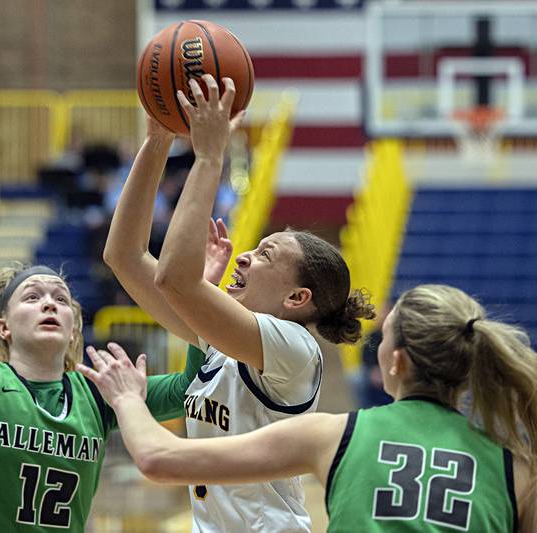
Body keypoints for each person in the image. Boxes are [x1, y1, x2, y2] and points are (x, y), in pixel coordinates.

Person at [103, 74, 374, 532]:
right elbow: (125, 255)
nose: (245, 254)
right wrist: (158, 142)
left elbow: (174, 277)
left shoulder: (293, 349)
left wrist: (210, 155)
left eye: (265, 253)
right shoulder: (221, 342)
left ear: (296, 298)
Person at [80, 284, 537, 533]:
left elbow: (159, 459)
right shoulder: (519, 470)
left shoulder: (335, 434)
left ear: (396, 361)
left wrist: (126, 398)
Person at [0, 163, 210, 531]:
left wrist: (199, 300)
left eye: (61, 298)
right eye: (32, 296)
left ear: (74, 328)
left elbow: (192, 387)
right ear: (3, 326)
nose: (49, 303)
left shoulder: (101, 394)